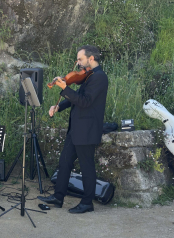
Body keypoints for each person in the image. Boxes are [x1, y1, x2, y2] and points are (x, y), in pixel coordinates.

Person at [37, 45, 108, 213]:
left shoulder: (99, 77)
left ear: (91, 59)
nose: (77, 64)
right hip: (76, 129)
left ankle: (87, 203)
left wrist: (64, 88)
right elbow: (75, 98)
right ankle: (58, 197)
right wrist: (59, 107)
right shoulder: (88, 76)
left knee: (87, 167)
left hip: (87, 130)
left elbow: (84, 101)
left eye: (80, 59)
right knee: (65, 162)